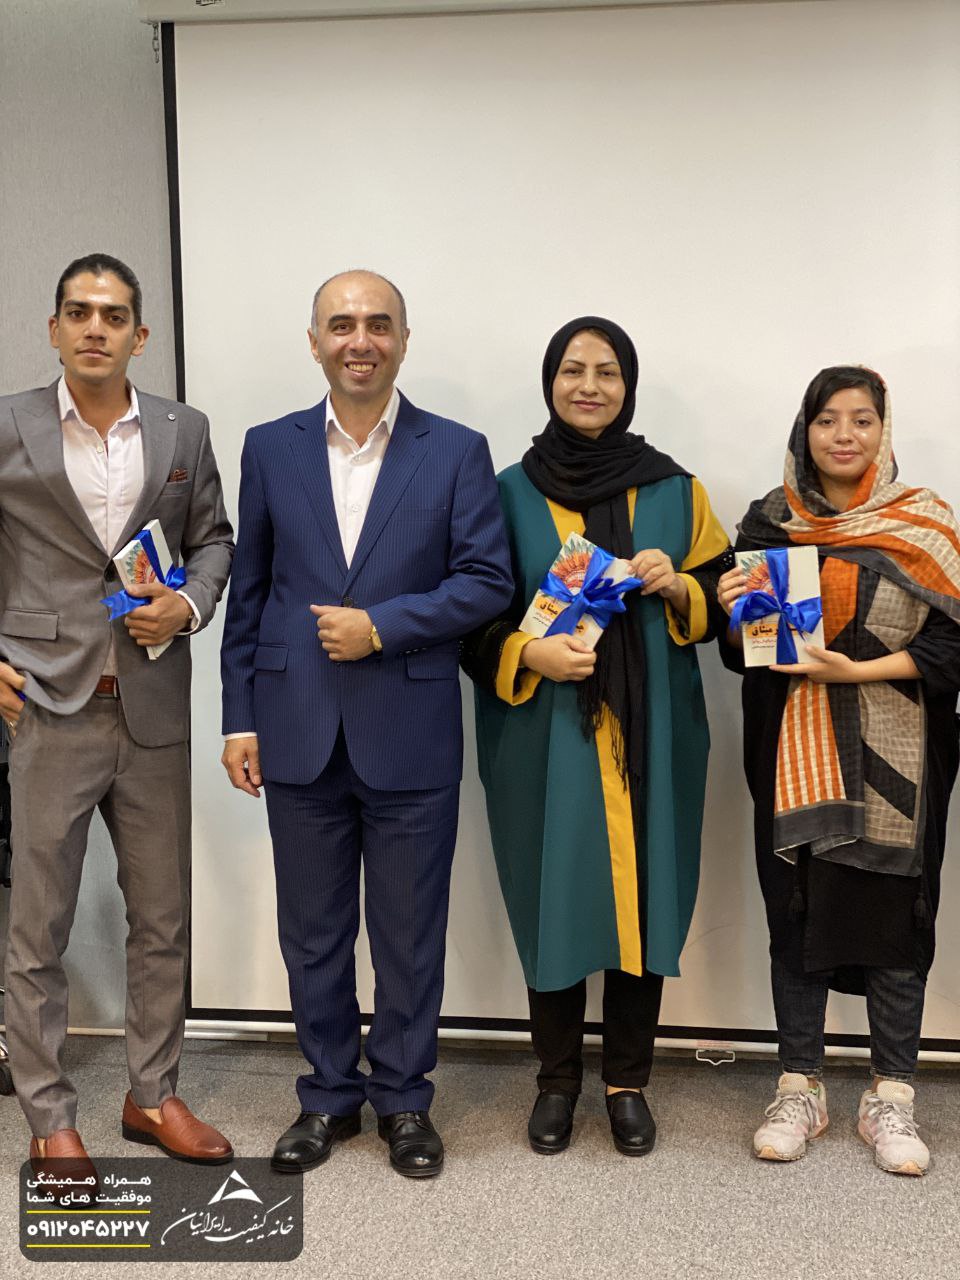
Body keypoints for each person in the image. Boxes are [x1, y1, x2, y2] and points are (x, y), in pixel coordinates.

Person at [220, 269, 512, 1179]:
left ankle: (404, 1101)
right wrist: (238, 718)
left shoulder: (456, 450)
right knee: (312, 934)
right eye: (341, 324)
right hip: (295, 725)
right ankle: (328, 1097)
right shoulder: (269, 447)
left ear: (403, 340)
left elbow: (487, 581)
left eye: (378, 324)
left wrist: (383, 625)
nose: (360, 340)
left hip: (409, 729)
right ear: (314, 341)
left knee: (409, 935)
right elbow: (250, 594)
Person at [461, 317, 730, 1156]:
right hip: (544, 732)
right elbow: (469, 617)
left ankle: (627, 1082)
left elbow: (729, 598)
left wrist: (679, 584)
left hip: (654, 733)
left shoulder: (678, 492)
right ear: (550, 382)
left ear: (628, 385)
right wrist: (528, 653)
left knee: (645, 896)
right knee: (554, 892)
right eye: (572, 370)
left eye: (607, 371)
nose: (589, 386)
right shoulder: (505, 492)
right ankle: (555, 1081)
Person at [0, 253, 235, 1181]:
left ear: (141, 335)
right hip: (47, 704)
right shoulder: (10, 424)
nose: (94, 327)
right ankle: (49, 1116)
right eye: (78, 312)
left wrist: (190, 605)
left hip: (151, 706)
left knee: (162, 919)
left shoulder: (184, 430)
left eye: (112, 314)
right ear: (54, 329)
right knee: (39, 928)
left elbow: (213, 540)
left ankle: (152, 1095)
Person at [717, 365, 960, 1177]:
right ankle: (800, 1086)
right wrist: (733, 611)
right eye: (827, 419)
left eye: (861, 419)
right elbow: (743, 653)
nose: (844, 435)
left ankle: (892, 1094)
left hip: (902, 760)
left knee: (896, 916)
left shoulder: (926, 524)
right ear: (805, 430)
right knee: (798, 908)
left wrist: (856, 672)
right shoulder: (769, 524)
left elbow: (953, 646)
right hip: (793, 749)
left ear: (884, 431)